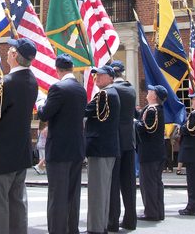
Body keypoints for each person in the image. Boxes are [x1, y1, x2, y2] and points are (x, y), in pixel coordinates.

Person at [0, 38, 39, 234]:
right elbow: (6, 101)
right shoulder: (32, 81)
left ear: (14, 55)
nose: (6, 52)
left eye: (10, 50)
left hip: (0, 153)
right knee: (17, 204)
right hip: (19, 151)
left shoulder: (6, 82)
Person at [37, 54, 87, 234]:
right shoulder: (81, 89)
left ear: (57, 70)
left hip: (59, 150)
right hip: (76, 148)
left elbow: (44, 114)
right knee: (73, 195)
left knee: (57, 196)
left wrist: (40, 101)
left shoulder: (58, 88)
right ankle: (72, 229)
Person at [85, 65, 120, 234]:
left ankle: (95, 228)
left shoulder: (104, 94)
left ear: (111, 77)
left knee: (97, 192)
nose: (97, 78)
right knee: (103, 190)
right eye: (96, 75)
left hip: (99, 147)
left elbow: (86, 111)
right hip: (106, 147)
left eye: (101, 75)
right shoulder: (110, 93)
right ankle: (101, 225)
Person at [107, 60, 137, 232]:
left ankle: (113, 220)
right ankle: (130, 219)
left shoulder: (112, 91)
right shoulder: (131, 89)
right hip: (129, 141)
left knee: (114, 183)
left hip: (115, 141)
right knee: (129, 184)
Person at [135, 85, 167, 222]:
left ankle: (151, 212)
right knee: (155, 183)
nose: (148, 92)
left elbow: (148, 127)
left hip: (150, 152)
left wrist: (135, 123)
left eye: (150, 91)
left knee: (148, 184)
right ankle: (157, 211)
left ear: (154, 96)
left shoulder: (153, 110)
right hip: (155, 152)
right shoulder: (152, 109)